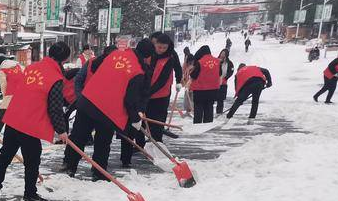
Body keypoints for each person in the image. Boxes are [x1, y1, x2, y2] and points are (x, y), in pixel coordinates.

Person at [0, 41, 71, 201]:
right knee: (32, 159)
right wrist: (61, 130)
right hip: (30, 124)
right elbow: (54, 107)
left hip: (14, 118)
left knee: (5, 155)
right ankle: (30, 193)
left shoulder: (31, 68)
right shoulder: (55, 78)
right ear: (64, 59)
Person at [66, 39, 153, 179]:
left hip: (88, 99)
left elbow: (93, 66)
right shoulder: (138, 71)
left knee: (78, 137)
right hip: (108, 109)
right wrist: (135, 119)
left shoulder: (116, 54)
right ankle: (99, 173)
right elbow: (130, 100)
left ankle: (70, 168)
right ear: (148, 57)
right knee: (103, 141)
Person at [120, 33, 181, 167]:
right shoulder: (148, 55)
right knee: (139, 121)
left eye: (164, 48)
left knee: (157, 122)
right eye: (159, 47)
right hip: (142, 93)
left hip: (160, 95)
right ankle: (139, 146)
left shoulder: (170, 57)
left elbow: (162, 80)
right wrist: (143, 93)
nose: (161, 50)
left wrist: (178, 80)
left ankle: (156, 145)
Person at [189, 45, 222, 123]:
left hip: (200, 90)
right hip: (213, 89)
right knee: (209, 108)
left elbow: (193, 75)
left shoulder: (200, 62)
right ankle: (208, 125)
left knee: (198, 109)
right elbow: (220, 73)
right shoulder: (217, 62)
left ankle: (198, 125)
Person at [0, 59, 23, 135]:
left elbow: (3, 84)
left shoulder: (3, 71)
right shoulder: (18, 66)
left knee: (3, 111)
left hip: (10, 93)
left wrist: (4, 97)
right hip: (22, 92)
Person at [216, 49, 235, 114]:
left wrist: (226, 77)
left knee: (221, 99)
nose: (222, 55)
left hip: (223, 82)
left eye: (224, 53)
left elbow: (231, 71)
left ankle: (219, 112)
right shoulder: (216, 61)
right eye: (222, 53)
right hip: (215, 81)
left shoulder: (229, 63)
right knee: (213, 97)